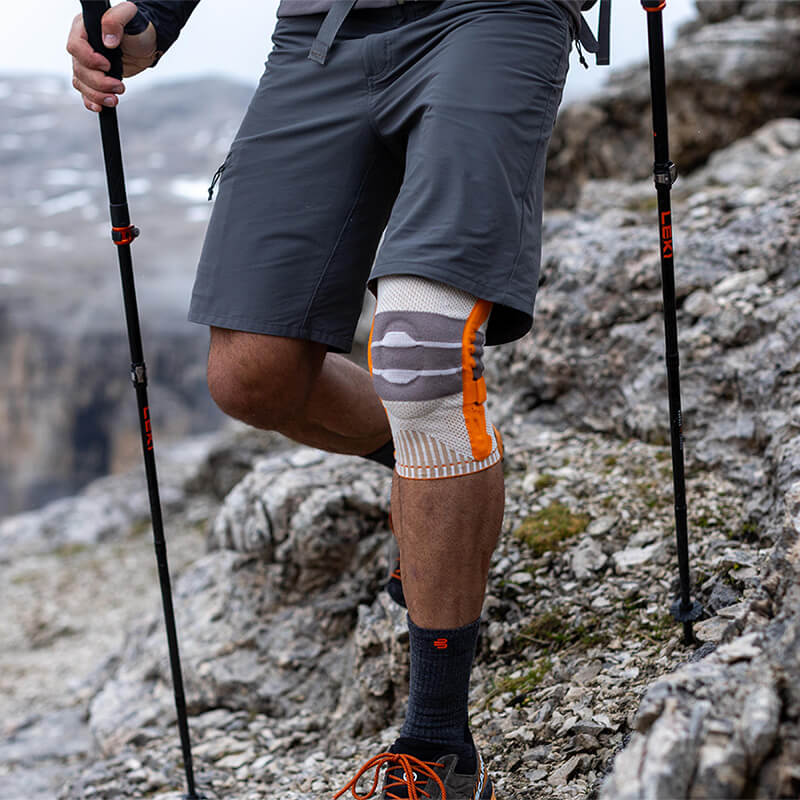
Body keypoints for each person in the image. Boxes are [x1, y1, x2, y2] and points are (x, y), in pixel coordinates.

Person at [68, 2, 584, 796]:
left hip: (495, 14)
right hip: (323, 27)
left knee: (421, 356)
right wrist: (156, 15)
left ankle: (439, 745)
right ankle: (436, 463)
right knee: (252, 375)